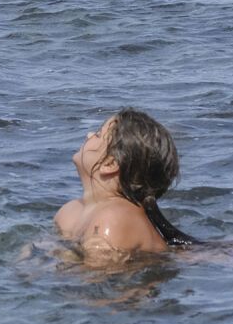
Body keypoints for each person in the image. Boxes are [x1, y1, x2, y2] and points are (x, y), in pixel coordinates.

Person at [55, 109, 197, 262]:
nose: (88, 134)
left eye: (98, 134)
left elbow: (95, 278)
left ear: (110, 164)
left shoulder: (113, 218)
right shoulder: (70, 211)